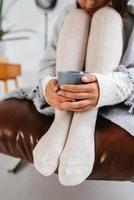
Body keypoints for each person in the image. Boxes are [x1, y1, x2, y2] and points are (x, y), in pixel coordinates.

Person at [2, 0, 134, 186]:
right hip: (63, 102)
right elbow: (47, 66)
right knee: (75, 17)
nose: (89, 3)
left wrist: (105, 88)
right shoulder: (68, 15)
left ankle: (83, 125)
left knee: (107, 16)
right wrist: (48, 87)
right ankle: (61, 121)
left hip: (111, 100)